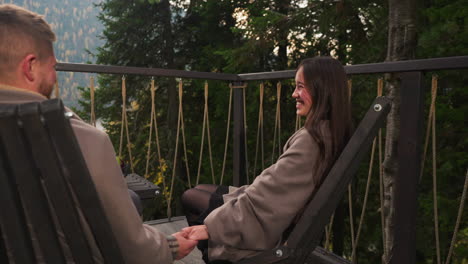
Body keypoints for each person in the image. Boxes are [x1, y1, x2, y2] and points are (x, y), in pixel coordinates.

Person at [0, 4, 197, 263]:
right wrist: (168, 246)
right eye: (54, 68)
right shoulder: (80, 139)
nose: (55, 77)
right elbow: (133, 249)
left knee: (131, 198)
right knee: (127, 202)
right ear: (31, 67)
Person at [180, 56, 353, 263]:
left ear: (322, 90)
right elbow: (275, 187)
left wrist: (211, 228)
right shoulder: (331, 132)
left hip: (270, 228)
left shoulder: (311, 141)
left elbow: (268, 198)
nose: (293, 94)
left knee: (191, 197)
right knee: (200, 190)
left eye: (300, 87)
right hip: (283, 217)